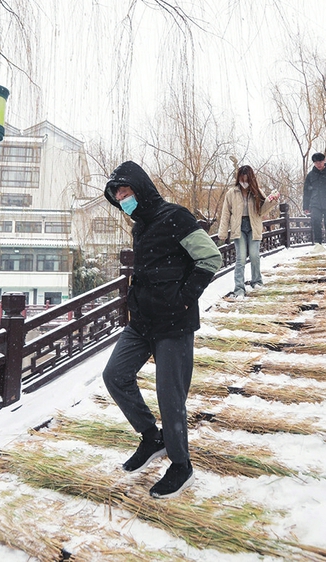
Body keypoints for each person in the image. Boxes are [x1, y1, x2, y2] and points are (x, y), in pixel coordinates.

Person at [101, 161, 223, 499]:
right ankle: (152, 438)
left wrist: (183, 299)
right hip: (141, 323)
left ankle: (181, 465)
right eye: (117, 195)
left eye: (125, 191)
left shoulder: (176, 216)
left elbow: (211, 258)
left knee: (170, 398)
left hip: (173, 323)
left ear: (140, 188)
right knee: (115, 376)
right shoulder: (139, 226)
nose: (122, 198)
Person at [217, 165, 280, 297]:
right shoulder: (231, 193)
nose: (244, 182)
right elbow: (225, 213)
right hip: (238, 227)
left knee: (254, 256)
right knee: (240, 258)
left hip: (253, 226)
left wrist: (271, 201)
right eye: (242, 178)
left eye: (246, 179)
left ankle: (256, 281)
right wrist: (223, 232)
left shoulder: (256, 192)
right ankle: (239, 288)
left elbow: (262, 211)